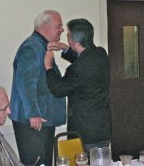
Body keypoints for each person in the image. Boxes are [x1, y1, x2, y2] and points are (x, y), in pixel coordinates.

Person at [10, 10, 66, 166]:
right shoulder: (31, 47)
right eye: (59, 25)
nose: (62, 29)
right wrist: (33, 113)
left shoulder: (40, 46)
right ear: (45, 26)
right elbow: (26, 82)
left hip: (41, 121)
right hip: (33, 122)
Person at [44, 18, 112, 151]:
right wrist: (65, 48)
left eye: (68, 34)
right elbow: (84, 61)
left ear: (72, 40)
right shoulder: (101, 54)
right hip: (103, 129)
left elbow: (58, 89)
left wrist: (48, 67)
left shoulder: (76, 69)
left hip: (85, 134)